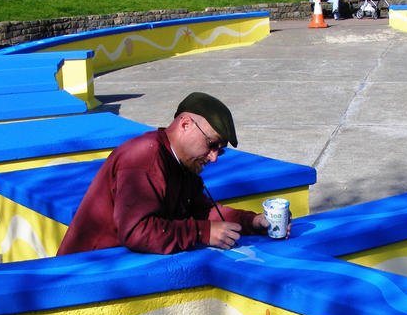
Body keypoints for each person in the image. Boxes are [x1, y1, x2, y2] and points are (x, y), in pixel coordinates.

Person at [56, 92, 277, 256]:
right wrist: (202, 233)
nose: (214, 157)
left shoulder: (182, 162)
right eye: (211, 144)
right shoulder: (144, 157)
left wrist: (252, 222)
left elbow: (202, 212)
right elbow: (136, 232)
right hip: (87, 275)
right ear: (185, 124)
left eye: (220, 149)